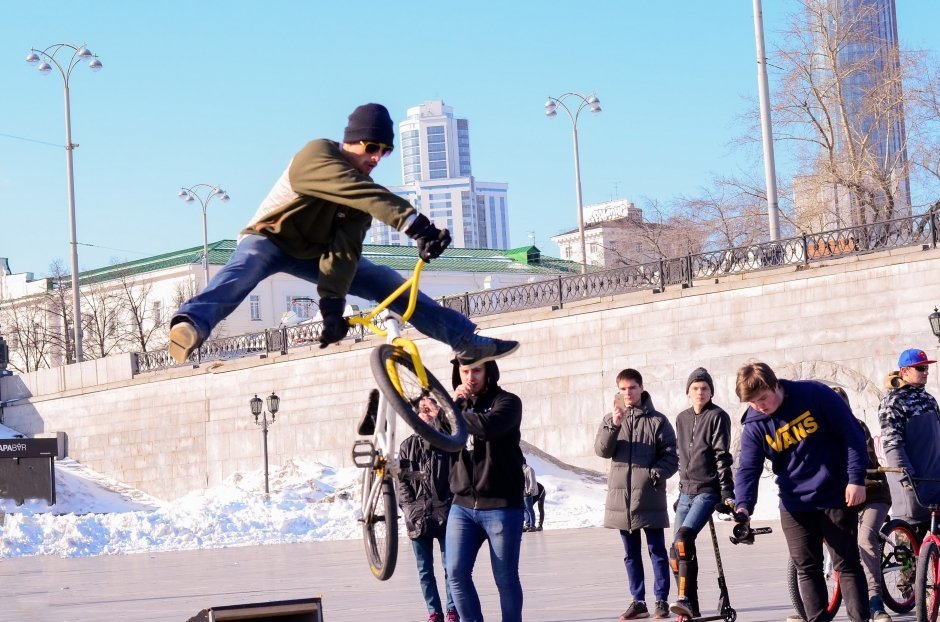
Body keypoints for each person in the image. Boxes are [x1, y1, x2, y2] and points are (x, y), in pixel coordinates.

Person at [167, 103, 518, 367]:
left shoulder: (362, 196)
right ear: (351, 142)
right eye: (371, 148)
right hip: (270, 238)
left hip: (314, 255)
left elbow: (343, 253)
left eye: (385, 152)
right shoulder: (316, 155)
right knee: (246, 267)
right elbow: (357, 190)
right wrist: (416, 225)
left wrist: (332, 308)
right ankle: (191, 324)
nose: (377, 158)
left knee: (388, 281)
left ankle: (464, 341)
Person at [733, 362, 870, 622]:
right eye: (752, 403)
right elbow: (748, 469)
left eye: (763, 399)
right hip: (794, 503)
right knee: (806, 569)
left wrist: (856, 479)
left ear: (776, 385)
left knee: (847, 564)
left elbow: (851, 434)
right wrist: (743, 507)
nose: (760, 407)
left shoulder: (814, 394)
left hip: (836, 494)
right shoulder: (754, 424)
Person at [595, 368, 679, 621]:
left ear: (641, 388)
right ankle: (638, 601)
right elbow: (601, 450)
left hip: (649, 495)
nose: (628, 393)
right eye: (622, 389)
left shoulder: (658, 421)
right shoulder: (611, 419)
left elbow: (672, 457)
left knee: (657, 550)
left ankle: (661, 600)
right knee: (630, 554)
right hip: (622, 500)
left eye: (632, 387)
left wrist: (655, 473)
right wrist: (614, 424)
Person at [446, 357, 524, 622]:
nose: (470, 377)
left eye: (476, 370)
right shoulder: (455, 407)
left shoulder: (508, 402)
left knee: (505, 578)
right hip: (462, 505)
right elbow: (437, 440)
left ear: (489, 371)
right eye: (465, 371)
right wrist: (451, 407)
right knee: (455, 573)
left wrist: (453, 413)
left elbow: (488, 427)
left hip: (501, 505)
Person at [668, 368, 734, 620]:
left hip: (708, 490)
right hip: (686, 491)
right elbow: (681, 456)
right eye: (695, 388)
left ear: (711, 392)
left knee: (684, 540)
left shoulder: (718, 416)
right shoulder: (682, 418)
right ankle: (690, 604)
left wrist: (726, 492)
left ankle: (683, 599)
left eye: (704, 388)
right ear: (688, 392)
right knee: (675, 551)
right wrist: (679, 489)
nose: (700, 392)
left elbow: (721, 456)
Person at [831, 386, 893, 622]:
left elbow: (863, 456)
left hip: (873, 493)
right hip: (841, 497)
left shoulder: (857, 427)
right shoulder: (820, 432)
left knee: (865, 539)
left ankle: (876, 602)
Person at [398, 396, 459, 622]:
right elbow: (402, 481)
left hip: (445, 513)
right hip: (417, 516)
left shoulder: (446, 442)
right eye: (420, 410)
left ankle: (452, 610)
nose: (425, 414)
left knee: (450, 567)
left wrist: (450, 505)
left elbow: (456, 475)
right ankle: (434, 611)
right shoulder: (407, 446)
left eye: (428, 410)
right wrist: (410, 508)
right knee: (425, 570)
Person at [878, 348, 940, 527]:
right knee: (910, 551)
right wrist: (907, 481)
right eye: (920, 368)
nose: (926, 372)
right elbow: (892, 446)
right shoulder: (892, 402)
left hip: (935, 484)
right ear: (905, 371)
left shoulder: (929, 399)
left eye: (926, 368)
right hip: (913, 489)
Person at [522, 459, 539, 532]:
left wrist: (530, 491)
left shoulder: (529, 469)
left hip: (527, 493)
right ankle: (527, 524)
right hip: (522, 493)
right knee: (524, 509)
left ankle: (532, 526)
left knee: (529, 509)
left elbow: (533, 481)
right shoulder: (520, 469)